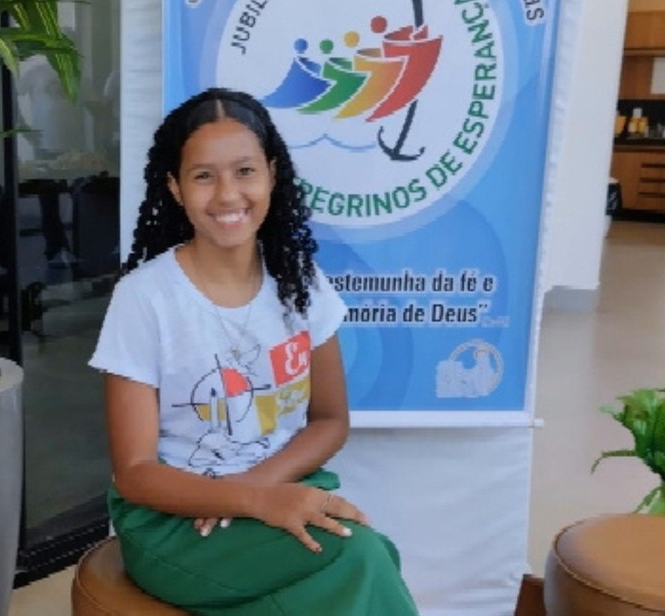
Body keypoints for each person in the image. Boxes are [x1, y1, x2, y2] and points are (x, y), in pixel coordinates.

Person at [88, 87, 418, 615]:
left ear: (271, 174)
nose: (227, 195)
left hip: (278, 486)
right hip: (176, 520)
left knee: (359, 562)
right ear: (175, 188)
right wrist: (247, 499)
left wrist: (257, 489)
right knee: (361, 557)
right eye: (203, 176)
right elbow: (134, 471)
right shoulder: (144, 298)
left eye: (244, 171)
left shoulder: (301, 281)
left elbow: (330, 420)